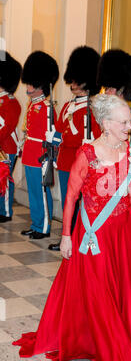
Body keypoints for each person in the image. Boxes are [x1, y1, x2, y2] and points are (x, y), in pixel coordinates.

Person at [13, 94, 131, 361]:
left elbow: (130, 195)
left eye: (130, 121)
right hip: (92, 237)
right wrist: (66, 235)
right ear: (106, 124)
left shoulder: (130, 151)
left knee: (128, 289)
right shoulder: (87, 153)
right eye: (124, 122)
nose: (130, 126)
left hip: (124, 234)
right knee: (98, 293)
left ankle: (122, 336)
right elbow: (71, 197)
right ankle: (112, 352)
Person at [48, 46, 102, 251]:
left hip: (80, 162)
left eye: (77, 80)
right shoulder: (68, 106)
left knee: (81, 203)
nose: (73, 84)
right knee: (67, 201)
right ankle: (67, 235)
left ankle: (79, 236)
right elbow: (62, 131)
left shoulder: (91, 108)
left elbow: (84, 137)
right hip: (64, 161)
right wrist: (54, 137)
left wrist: (60, 137)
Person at [20, 51, 59, 239]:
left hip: (40, 155)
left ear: (40, 86)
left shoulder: (47, 107)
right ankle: (36, 223)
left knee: (42, 193)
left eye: (31, 83)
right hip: (29, 153)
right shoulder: (32, 105)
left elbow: (54, 135)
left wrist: (51, 157)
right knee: (33, 192)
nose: (27, 86)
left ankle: (44, 227)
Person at [0, 52, 22, 222]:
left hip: (7, 146)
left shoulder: (11, 101)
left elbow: (7, 126)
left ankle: (6, 212)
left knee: (5, 180)